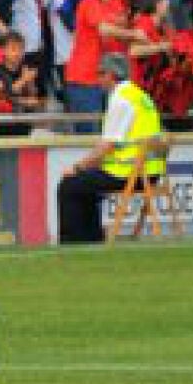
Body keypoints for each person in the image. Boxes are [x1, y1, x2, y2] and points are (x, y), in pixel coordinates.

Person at [53, 53, 167, 243]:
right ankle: (93, 238)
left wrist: (77, 167)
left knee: (69, 185)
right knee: (85, 184)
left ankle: (73, 242)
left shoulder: (120, 99)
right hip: (151, 172)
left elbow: (107, 146)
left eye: (100, 74)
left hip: (129, 173)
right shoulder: (140, 95)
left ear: (111, 75)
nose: (98, 79)